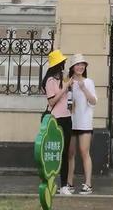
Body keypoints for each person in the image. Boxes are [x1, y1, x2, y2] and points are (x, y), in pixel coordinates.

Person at [43, 49, 74, 195]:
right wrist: (65, 87)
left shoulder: (63, 79)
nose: (64, 65)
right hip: (56, 119)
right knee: (54, 151)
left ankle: (64, 186)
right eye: (62, 63)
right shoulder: (50, 81)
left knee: (65, 152)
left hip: (67, 117)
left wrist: (68, 85)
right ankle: (51, 183)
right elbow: (52, 101)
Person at [66, 53, 98, 194]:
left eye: (82, 64)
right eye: (77, 64)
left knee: (85, 152)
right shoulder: (68, 82)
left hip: (85, 123)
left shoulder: (89, 82)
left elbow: (93, 101)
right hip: (71, 122)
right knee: (70, 153)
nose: (80, 67)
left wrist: (84, 88)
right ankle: (69, 183)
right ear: (73, 67)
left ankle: (88, 184)